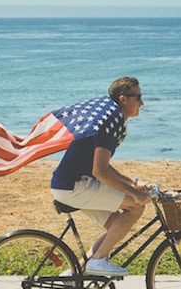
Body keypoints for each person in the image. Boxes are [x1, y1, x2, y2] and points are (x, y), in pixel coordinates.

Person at [49, 77, 151, 277]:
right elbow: (100, 173)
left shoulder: (110, 118)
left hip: (70, 184)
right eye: (138, 97)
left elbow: (104, 167)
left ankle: (76, 275)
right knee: (136, 207)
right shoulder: (110, 123)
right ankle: (98, 261)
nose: (142, 103)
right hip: (74, 187)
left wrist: (134, 183)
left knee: (117, 226)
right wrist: (134, 194)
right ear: (123, 99)